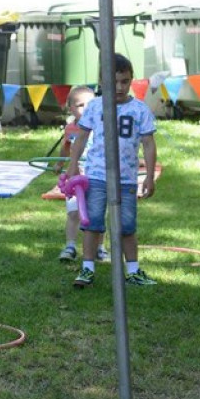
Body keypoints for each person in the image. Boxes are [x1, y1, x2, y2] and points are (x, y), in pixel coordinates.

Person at [67, 54, 157, 289]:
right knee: (92, 223)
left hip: (126, 178)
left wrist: (148, 175)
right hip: (96, 176)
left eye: (125, 81)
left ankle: (133, 271)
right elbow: (81, 136)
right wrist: (73, 163)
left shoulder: (140, 110)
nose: (119, 87)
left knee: (127, 226)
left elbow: (148, 143)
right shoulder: (95, 106)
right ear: (102, 81)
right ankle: (87, 269)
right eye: (113, 81)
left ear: (131, 81)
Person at [58, 86, 108, 263]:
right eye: (80, 105)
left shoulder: (101, 126)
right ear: (70, 108)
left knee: (97, 214)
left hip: (96, 177)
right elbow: (66, 148)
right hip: (75, 179)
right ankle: (70, 246)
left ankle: (100, 248)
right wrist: (60, 164)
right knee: (73, 213)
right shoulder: (71, 129)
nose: (86, 109)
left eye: (90, 104)